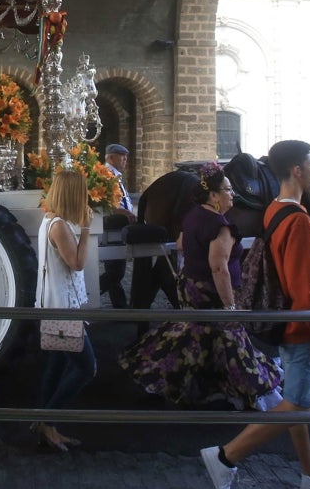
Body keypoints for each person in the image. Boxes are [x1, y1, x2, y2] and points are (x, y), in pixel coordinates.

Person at [200, 140, 310, 489]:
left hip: (289, 322)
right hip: (301, 327)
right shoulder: (298, 220)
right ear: (297, 170)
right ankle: (225, 456)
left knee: (295, 402)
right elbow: (304, 288)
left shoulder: (273, 212)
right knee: (296, 404)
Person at [120, 162, 282, 410]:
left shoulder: (192, 215)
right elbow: (220, 268)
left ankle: (169, 374)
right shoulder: (222, 227)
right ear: (214, 195)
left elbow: (183, 245)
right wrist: (230, 306)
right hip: (209, 291)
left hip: (189, 285)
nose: (233, 195)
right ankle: (251, 385)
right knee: (231, 339)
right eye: (228, 190)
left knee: (195, 336)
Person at [33, 169, 97, 453]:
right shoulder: (59, 226)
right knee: (86, 368)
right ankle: (48, 422)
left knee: (56, 366)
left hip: (53, 305)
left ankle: (44, 423)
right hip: (62, 309)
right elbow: (78, 263)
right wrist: (86, 228)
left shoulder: (49, 221)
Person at [98, 143, 134, 308]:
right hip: (113, 226)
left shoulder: (114, 174)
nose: (125, 159)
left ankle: (120, 307)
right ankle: (89, 293)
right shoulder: (107, 175)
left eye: (126, 156)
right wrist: (126, 213)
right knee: (116, 271)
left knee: (114, 270)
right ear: (110, 157)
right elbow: (107, 204)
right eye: (122, 156)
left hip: (118, 225)